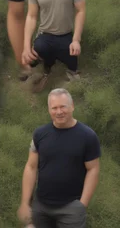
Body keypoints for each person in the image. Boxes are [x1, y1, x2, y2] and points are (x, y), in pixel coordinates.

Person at [18, 88, 101, 228]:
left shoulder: (88, 136)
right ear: (49, 109)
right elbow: (31, 167)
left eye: (63, 106)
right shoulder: (40, 134)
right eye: (54, 108)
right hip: (41, 205)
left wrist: (82, 205)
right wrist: (25, 202)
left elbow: (93, 170)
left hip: (71, 207)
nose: (59, 112)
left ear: (72, 106)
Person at [22, 0, 85, 91]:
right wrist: (26, 46)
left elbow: (81, 11)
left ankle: (69, 70)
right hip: (46, 34)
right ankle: (46, 67)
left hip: (66, 34)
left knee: (73, 62)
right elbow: (31, 16)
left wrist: (76, 40)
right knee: (40, 48)